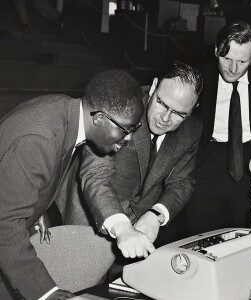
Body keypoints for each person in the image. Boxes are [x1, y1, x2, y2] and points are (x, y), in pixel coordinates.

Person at [0, 69, 144, 300]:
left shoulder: (66, 112)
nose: (128, 139)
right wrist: (48, 294)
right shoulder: (40, 139)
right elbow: (4, 226)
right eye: (126, 130)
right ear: (98, 119)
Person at [59, 60, 202, 261]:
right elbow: (95, 175)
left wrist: (156, 215)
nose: (165, 118)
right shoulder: (119, 106)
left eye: (179, 114)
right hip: (92, 214)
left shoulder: (192, 130)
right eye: (162, 103)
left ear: (193, 109)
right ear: (153, 87)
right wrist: (122, 227)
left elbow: (182, 182)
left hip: (142, 226)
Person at [183, 21, 251, 236]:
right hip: (207, 162)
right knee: (200, 238)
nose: (232, 69)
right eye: (226, 58)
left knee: (247, 242)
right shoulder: (198, 76)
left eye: (242, 61)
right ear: (216, 50)